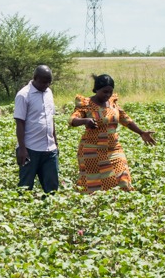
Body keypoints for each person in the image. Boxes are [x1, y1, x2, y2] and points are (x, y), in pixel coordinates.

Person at [69, 74, 155, 193]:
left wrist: (141, 132)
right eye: (105, 92)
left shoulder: (113, 103)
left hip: (113, 149)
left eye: (110, 92)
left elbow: (126, 120)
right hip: (91, 151)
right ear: (97, 89)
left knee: (123, 179)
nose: (107, 95)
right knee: (93, 185)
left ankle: (121, 205)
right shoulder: (86, 104)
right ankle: (96, 208)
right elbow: (72, 120)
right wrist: (85, 121)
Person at [14, 65, 59, 194]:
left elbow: (51, 119)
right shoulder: (23, 95)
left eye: (49, 82)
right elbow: (20, 123)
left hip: (49, 149)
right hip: (30, 149)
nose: (47, 85)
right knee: (25, 188)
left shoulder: (49, 92)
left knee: (52, 189)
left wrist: (55, 143)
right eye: (44, 82)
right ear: (35, 78)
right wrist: (22, 149)